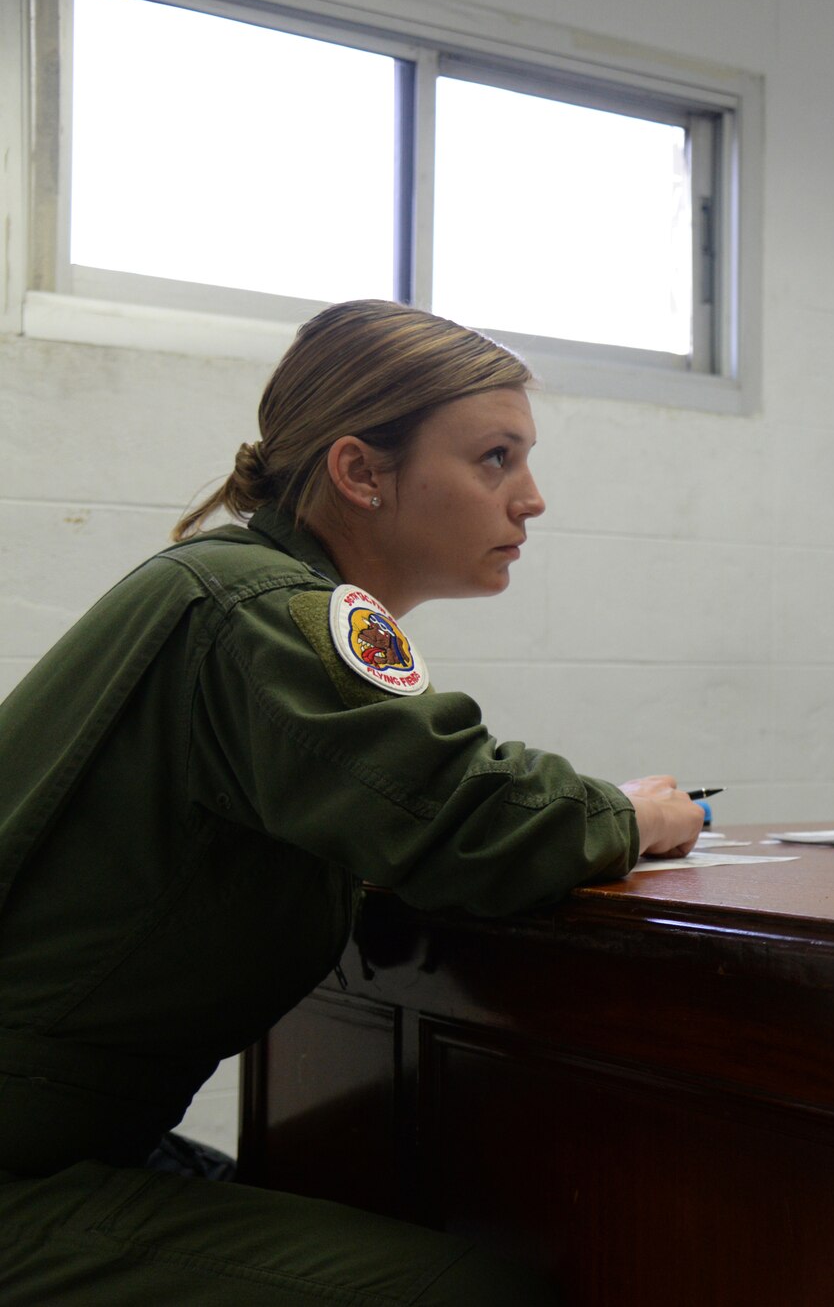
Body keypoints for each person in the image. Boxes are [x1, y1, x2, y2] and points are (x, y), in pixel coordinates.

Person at [0, 300, 708, 1303]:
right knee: (471, 1291)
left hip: (55, 1149)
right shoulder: (267, 612)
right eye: (495, 458)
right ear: (360, 472)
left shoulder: (227, 591)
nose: (531, 498)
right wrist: (633, 816)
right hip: (24, 1176)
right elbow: (467, 820)